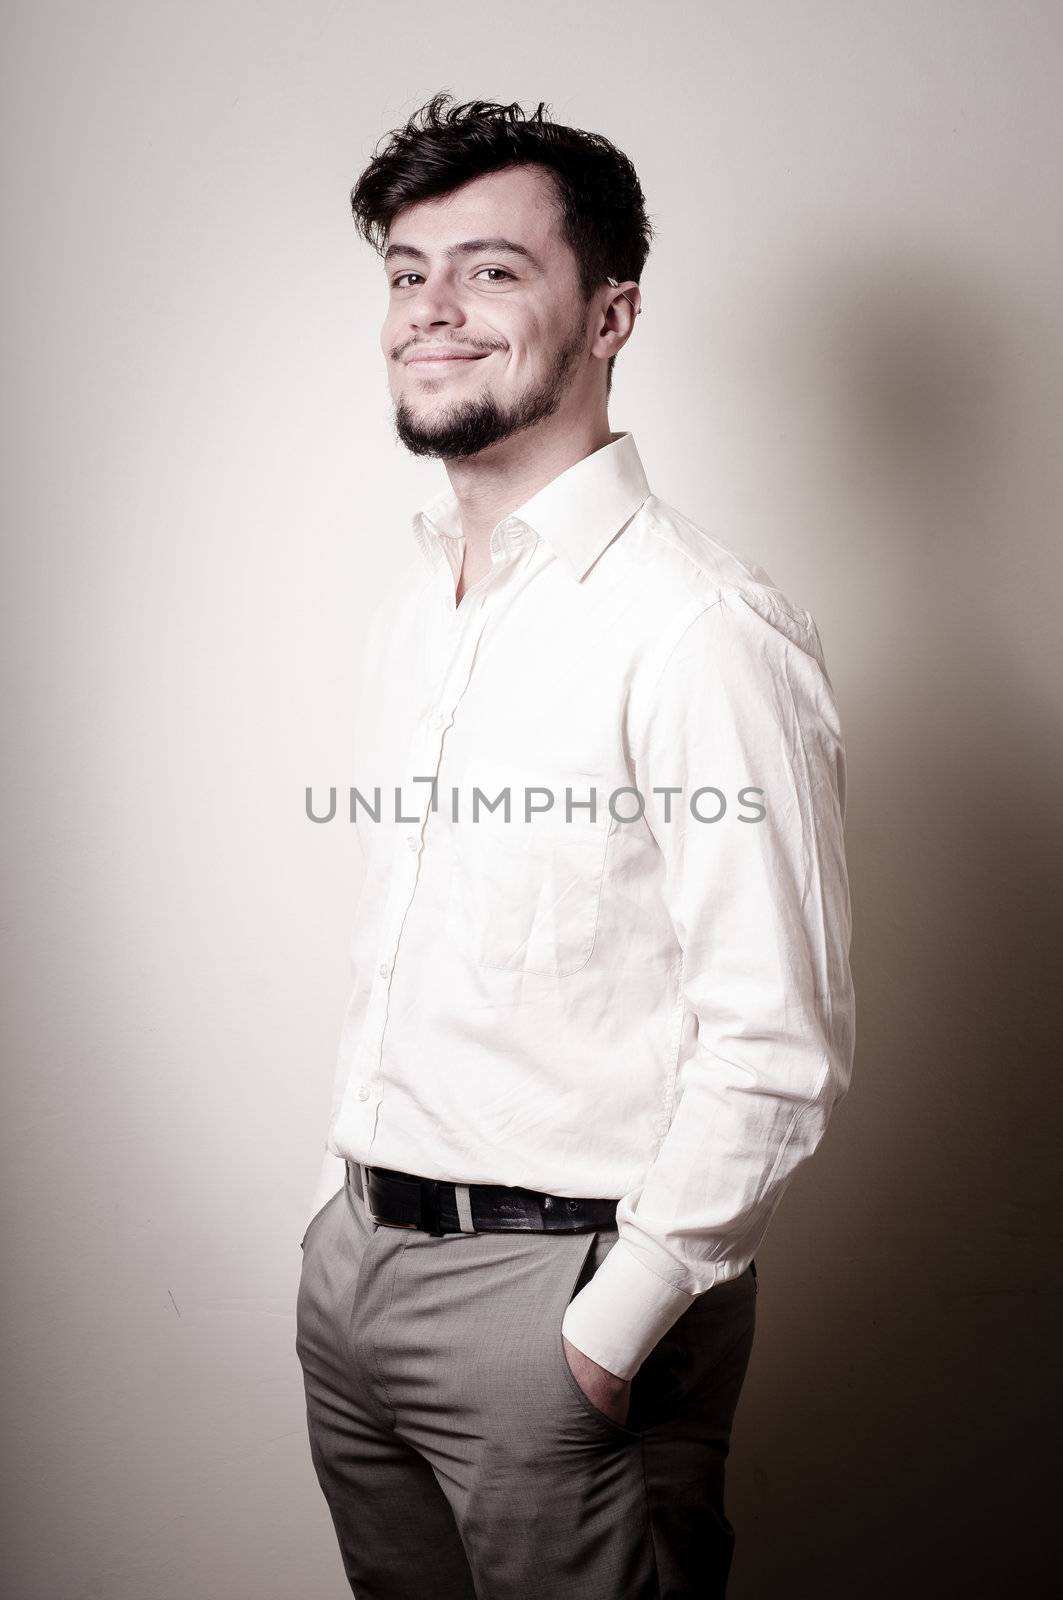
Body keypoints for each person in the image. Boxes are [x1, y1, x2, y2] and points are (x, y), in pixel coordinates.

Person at [295, 92, 856, 1600]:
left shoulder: (698, 631)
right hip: (359, 1271)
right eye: (409, 273)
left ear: (612, 314)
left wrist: (609, 1333)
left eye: (490, 268)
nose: (431, 310)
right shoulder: (424, 603)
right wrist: (339, 1240)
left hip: (563, 1305)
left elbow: (778, 1044)